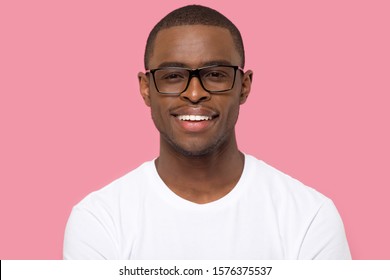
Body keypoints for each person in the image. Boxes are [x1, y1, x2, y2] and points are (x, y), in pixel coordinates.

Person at [63, 5, 351, 259]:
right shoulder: (100, 220)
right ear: (145, 88)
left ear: (245, 86)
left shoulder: (310, 217)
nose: (195, 93)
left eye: (215, 74)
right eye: (173, 76)